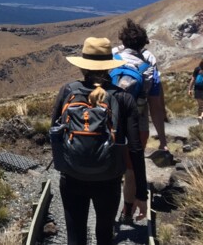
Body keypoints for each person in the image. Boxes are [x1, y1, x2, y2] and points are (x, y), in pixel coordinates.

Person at [51, 37, 148, 245]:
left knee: (75, 237)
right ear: (108, 66)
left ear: (83, 66)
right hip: (108, 179)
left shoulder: (67, 91)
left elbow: (54, 134)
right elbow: (135, 148)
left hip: (72, 177)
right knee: (104, 234)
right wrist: (141, 193)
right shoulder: (123, 98)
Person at [113, 19, 166, 225]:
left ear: (123, 40)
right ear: (144, 43)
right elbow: (155, 103)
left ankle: (106, 212)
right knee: (131, 170)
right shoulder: (149, 63)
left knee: (110, 167)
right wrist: (162, 138)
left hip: (110, 120)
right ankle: (127, 213)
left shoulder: (113, 57)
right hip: (139, 122)